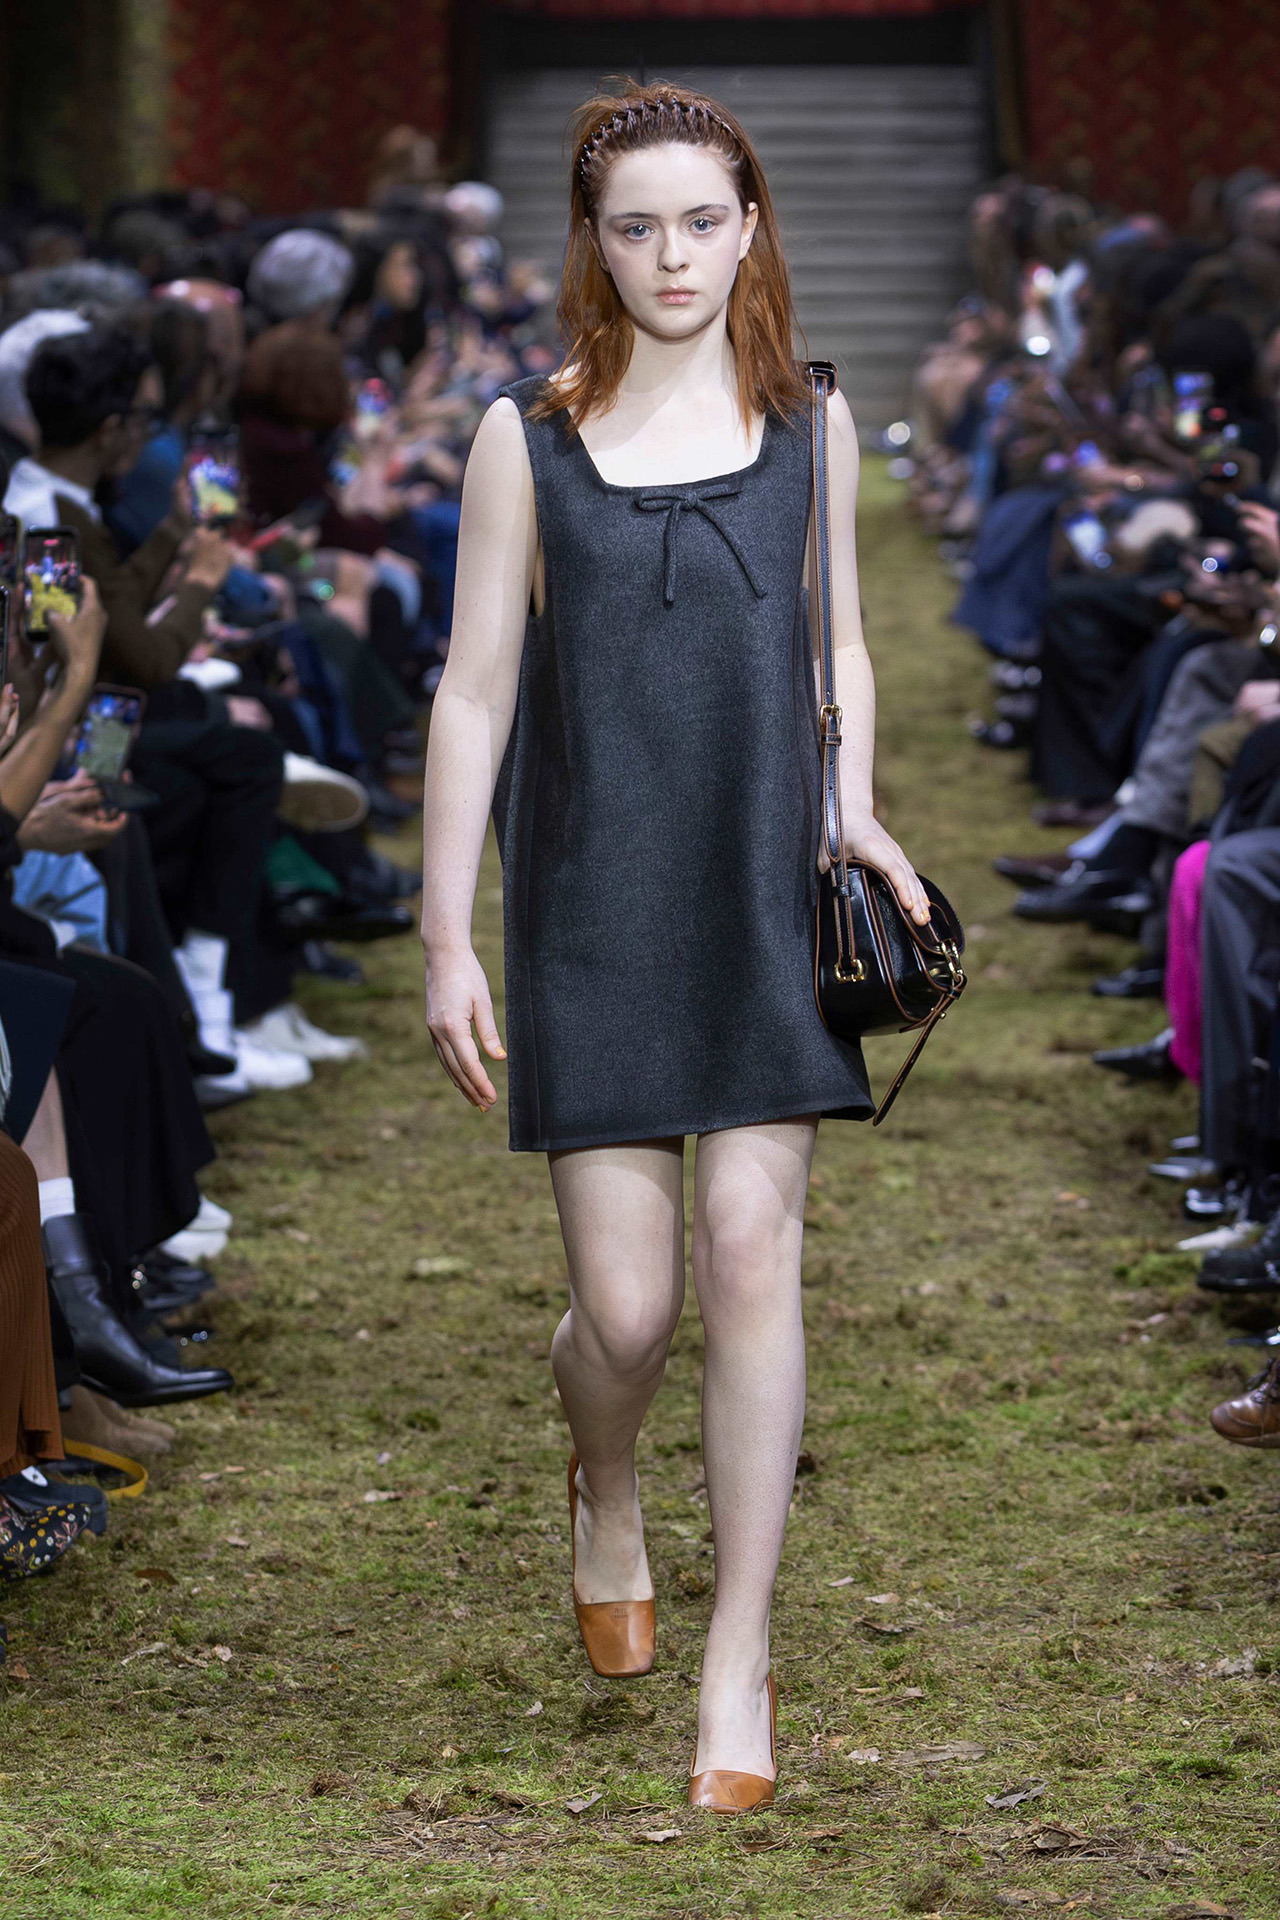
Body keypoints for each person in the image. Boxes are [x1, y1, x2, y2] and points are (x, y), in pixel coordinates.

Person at [418, 82, 930, 1813]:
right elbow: (474, 690)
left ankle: (740, 1660)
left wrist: (854, 809)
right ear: (594, 242)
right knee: (627, 1317)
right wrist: (445, 932)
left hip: (762, 881)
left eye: (702, 221)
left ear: (751, 223)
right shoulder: (526, 438)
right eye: (635, 227)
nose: (673, 256)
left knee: (750, 1248)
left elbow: (839, 645)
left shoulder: (810, 421)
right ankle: (608, 1481)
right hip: (591, 897)